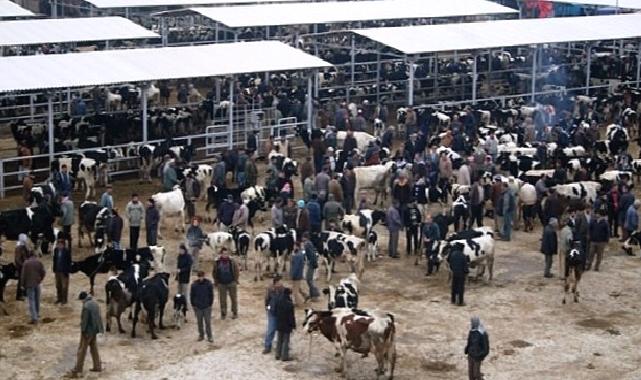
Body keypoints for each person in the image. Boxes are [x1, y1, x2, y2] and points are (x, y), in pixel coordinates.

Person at [69, 291, 103, 377]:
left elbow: (84, 321)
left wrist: (83, 331)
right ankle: (97, 366)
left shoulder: (86, 306)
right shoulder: (95, 303)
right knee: (94, 348)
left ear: (83, 299)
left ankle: (78, 369)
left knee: (82, 350)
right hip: (95, 330)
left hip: (88, 331)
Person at [212, 248, 239, 320]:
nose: (225, 255)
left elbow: (236, 270)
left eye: (226, 254)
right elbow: (214, 272)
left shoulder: (232, 261)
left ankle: (235, 312)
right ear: (221, 254)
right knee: (222, 300)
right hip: (221, 283)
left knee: (233, 299)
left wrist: (235, 280)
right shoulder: (217, 262)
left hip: (231, 282)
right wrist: (216, 281)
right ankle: (223, 313)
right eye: (224, 254)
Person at [21, 250, 45, 323]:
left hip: (29, 284)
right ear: (35, 255)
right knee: (37, 299)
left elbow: (23, 275)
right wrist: (40, 279)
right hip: (37, 283)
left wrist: (22, 284)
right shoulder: (39, 262)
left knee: (31, 301)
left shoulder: (26, 263)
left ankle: (34, 318)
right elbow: (43, 272)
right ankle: (37, 314)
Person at [190, 271, 214, 342]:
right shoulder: (194, 285)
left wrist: (210, 304)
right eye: (200, 276)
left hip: (207, 306)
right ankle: (201, 335)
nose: (201, 278)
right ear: (198, 277)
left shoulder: (208, 284)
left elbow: (211, 295)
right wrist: (193, 305)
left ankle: (210, 336)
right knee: (199, 322)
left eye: (202, 276)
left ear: (204, 276)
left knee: (208, 322)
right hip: (198, 307)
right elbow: (192, 296)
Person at [263, 275, 284, 354]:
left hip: (281, 313)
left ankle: (281, 347)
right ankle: (267, 346)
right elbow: (267, 300)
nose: (281, 284)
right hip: (272, 312)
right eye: (279, 282)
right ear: (275, 283)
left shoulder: (283, 290)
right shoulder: (270, 290)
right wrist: (268, 308)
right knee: (271, 329)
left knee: (281, 330)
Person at [275, 288, 295, 361]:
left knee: (279, 339)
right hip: (287, 324)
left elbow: (275, 311)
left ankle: (277, 354)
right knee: (286, 340)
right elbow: (291, 316)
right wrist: (293, 325)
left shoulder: (278, 301)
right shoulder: (290, 304)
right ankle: (284, 356)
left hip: (279, 323)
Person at [53, 238, 71, 304]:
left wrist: (67, 271)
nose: (59, 246)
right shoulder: (56, 250)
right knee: (58, 286)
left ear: (63, 245)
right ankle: (59, 298)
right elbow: (54, 260)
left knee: (64, 287)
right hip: (57, 271)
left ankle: (64, 300)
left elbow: (69, 262)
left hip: (64, 272)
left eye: (60, 244)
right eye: (58, 244)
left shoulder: (66, 251)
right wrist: (54, 269)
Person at [302, 233, 320, 300]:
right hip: (311, 263)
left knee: (309, 279)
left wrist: (311, 262)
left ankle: (315, 295)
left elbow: (311, 255)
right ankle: (312, 294)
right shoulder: (309, 243)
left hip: (311, 263)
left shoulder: (307, 244)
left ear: (305, 237)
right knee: (309, 279)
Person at [177, 243, 193, 308]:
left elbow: (188, 267)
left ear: (184, 250)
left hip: (185, 278)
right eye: (179, 250)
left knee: (185, 293)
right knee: (179, 293)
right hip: (179, 277)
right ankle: (178, 304)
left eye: (181, 250)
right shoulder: (179, 256)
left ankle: (186, 306)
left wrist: (181, 270)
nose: (180, 251)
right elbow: (178, 266)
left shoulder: (188, 257)